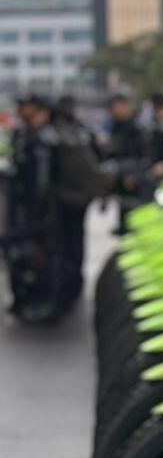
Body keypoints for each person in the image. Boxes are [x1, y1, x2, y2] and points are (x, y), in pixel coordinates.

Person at [4, 93, 101, 321]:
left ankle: (50, 303)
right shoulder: (25, 134)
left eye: (26, 107)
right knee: (27, 258)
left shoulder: (47, 138)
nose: (21, 111)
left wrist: (41, 214)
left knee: (50, 259)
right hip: (29, 212)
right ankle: (30, 300)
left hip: (47, 213)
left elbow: (42, 182)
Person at [101, 91, 150, 230]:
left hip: (135, 182)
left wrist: (134, 175)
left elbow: (145, 157)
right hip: (121, 181)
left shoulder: (138, 128)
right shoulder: (116, 126)